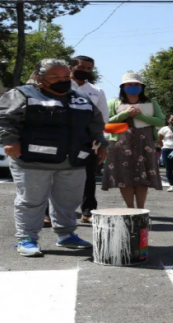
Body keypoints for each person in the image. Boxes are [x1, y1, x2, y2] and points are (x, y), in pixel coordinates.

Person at [0, 58, 108, 257]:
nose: (62, 80)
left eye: (65, 76)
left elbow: (95, 125)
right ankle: (27, 239)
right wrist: (9, 140)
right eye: (55, 76)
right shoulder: (22, 94)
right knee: (31, 201)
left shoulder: (80, 99)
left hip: (73, 161)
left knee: (69, 201)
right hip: (32, 161)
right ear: (39, 78)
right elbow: (3, 117)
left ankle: (66, 235)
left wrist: (102, 144)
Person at [102, 72, 165, 208]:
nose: (133, 86)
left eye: (136, 84)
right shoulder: (113, 102)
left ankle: (141, 209)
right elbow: (106, 122)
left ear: (142, 87)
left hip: (145, 145)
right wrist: (126, 114)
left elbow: (160, 121)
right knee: (125, 177)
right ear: (123, 87)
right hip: (121, 145)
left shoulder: (151, 103)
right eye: (129, 84)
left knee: (143, 177)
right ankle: (130, 209)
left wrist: (140, 116)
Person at [70, 55, 110, 222]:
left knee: (88, 177)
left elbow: (103, 119)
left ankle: (88, 212)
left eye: (89, 69)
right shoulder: (60, 87)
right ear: (71, 67)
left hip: (88, 140)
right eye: (82, 67)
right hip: (61, 139)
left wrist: (101, 144)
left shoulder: (97, 91)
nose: (85, 71)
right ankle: (48, 213)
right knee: (54, 177)